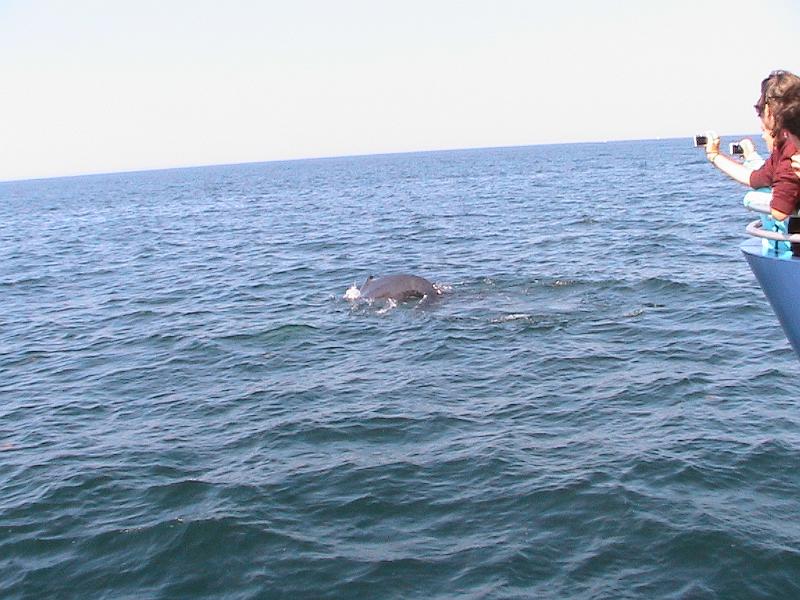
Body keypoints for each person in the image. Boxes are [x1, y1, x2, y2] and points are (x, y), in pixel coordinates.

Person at [705, 70, 800, 222]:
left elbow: (779, 211)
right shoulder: (783, 149)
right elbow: (754, 178)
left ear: (769, 111)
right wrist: (715, 156)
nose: (763, 135)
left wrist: (751, 199)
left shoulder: (791, 153)